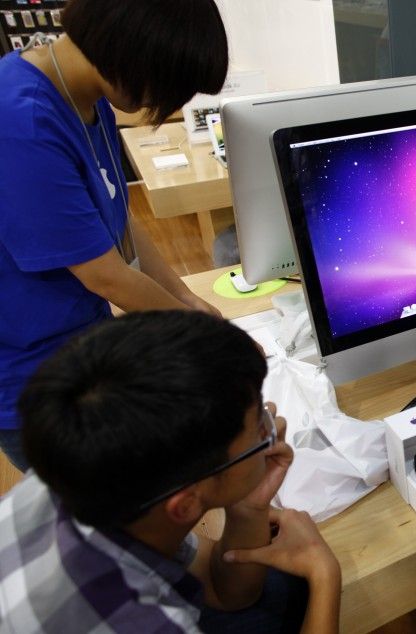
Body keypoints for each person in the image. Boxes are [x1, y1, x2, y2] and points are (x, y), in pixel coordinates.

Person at [0, 310, 342, 633]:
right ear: (185, 506)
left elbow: (224, 591)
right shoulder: (139, 621)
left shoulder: (87, 470)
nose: (274, 426)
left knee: (279, 589)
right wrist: (324, 575)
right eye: (259, 427)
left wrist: (248, 505)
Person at [0, 0, 229, 471]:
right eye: (173, 85)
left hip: (86, 343)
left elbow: (118, 216)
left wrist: (185, 298)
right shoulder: (22, 122)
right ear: (133, 54)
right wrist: (200, 336)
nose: (172, 102)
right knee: (101, 519)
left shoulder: (85, 96)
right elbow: (106, 276)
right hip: (33, 377)